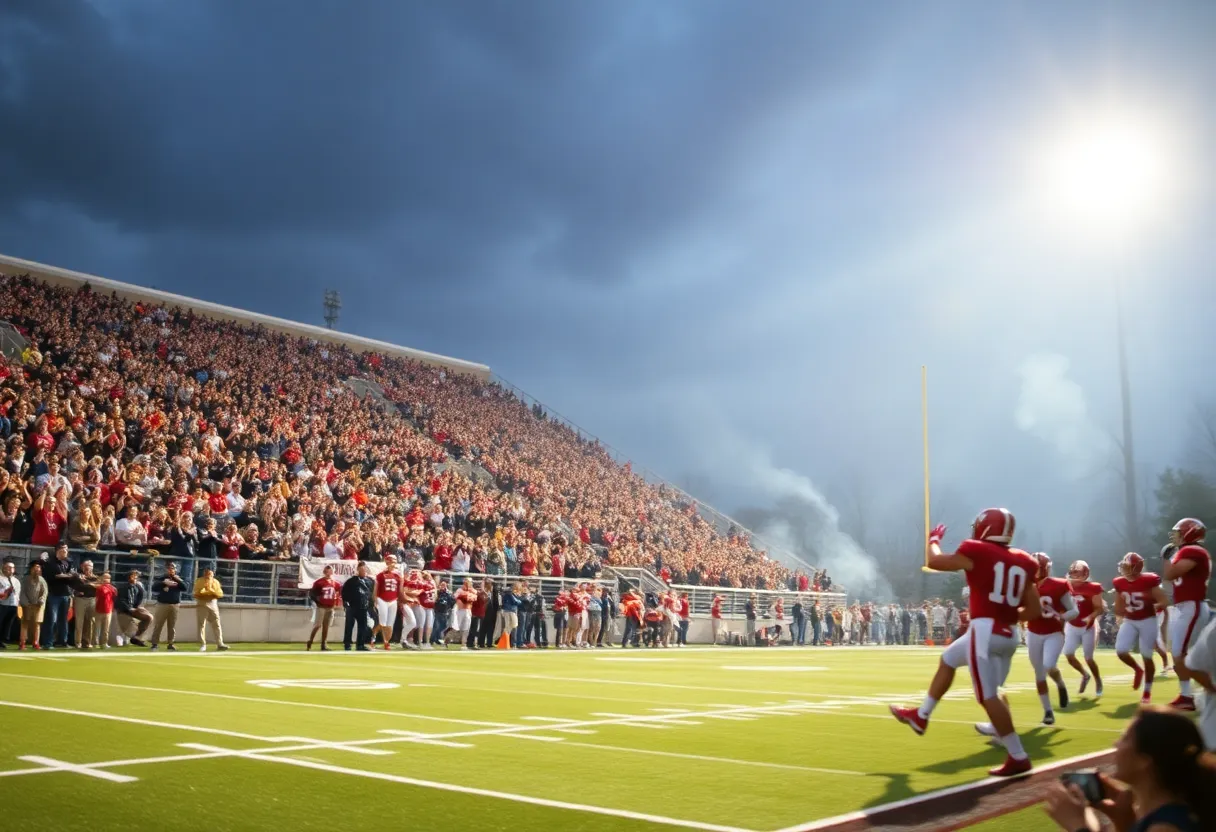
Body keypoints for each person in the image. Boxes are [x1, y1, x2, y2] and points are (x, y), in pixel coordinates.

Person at [889, 508, 1042, 777]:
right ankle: (922, 716)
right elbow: (1034, 610)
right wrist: (1005, 615)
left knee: (987, 695)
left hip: (985, 630)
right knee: (949, 659)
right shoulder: (1024, 561)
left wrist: (933, 539)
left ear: (986, 527)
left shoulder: (978, 550)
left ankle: (1018, 755)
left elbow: (935, 561)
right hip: (1008, 633)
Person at [1043, 706, 1213, 832]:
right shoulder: (1170, 812)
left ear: (1144, 760)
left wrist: (1077, 825)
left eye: (1124, 738)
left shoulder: (1164, 827)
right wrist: (1123, 820)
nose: (1116, 744)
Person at [1162, 518, 1211, 712]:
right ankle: (1186, 695)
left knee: (1179, 654)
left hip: (1192, 606)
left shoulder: (1193, 551)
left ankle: (1192, 695)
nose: (1174, 536)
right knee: (1184, 654)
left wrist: (1166, 558)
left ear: (1188, 533)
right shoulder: (1188, 551)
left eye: (1178, 532)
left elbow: (1170, 574)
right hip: (1185, 607)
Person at [1024, 553, 1079, 725]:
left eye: (1037, 567)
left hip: (1054, 632)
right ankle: (1048, 711)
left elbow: (1074, 611)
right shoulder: (1025, 585)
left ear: (1045, 568)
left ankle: (1060, 683)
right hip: (1033, 632)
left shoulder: (1058, 585)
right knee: (1039, 672)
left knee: (1049, 665)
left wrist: (1062, 617)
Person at [1113, 552, 1168, 705]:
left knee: (1146, 655)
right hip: (1130, 619)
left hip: (1148, 620)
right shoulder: (1119, 582)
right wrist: (1118, 615)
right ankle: (1138, 669)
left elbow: (1164, 601)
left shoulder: (1148, 580)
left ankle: (1147, 691)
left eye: (1126, 565)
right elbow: (1119, 603)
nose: (1123, 567)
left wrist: (1153, 605)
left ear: (1135, 567)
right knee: (1121, 650)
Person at [1064, 559, 1106, 697]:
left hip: (1088, 626)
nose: (1074, 576)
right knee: (1068, 654)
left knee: (1088, 658)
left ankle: (1098, 680)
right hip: (1072, 625)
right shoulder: (1065, 586)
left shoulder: (1093, 587)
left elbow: (1099, 608)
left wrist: (1090, 617)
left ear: (1085, 574)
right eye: (1073, 572)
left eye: (1077, 573)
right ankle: (1085, 675)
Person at [150, 562, 187, 650]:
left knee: (172, 625)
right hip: (162, 604)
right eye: (169, 568)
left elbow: (185, 588)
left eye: (172, 568)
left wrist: (177, 579)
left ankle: (171, 643)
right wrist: (164, 583)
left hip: (174, 605)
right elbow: (154, 588)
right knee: (158, 624)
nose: (171, 570)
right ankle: (155, 643)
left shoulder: (178, 578)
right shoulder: (161, 578)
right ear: (166, 569)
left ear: (175, 570)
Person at [192, 567, 228, 652]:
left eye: (210, 574)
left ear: (213, 574)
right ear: (204, 573)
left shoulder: (216, 582)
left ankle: (220, 643)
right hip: (202, 602)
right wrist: (202, 592)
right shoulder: (199, 581)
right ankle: (202, 644)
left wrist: (212, 592)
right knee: (201, 624)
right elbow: (195, 593)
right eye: (207, 573)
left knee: (217, 623)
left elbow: (220, 593)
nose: (208, 575)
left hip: (213, 602)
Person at [307, 564, 342, 651]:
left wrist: (336, 603)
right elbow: (312, 594)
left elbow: (338, 593)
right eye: (327, 571)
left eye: (330, 571)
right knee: (318, 625)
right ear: (324, 572)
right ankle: (310, 641)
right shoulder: (319, 582)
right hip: (321, 607)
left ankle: (324, 644)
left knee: (326, 626)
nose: (328, 573)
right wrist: (318, 601)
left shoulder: (335, 583)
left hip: (330, 607)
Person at [341, 562, 374, 651]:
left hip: (363, 607)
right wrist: (346, 603)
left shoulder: (369, 581)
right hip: (352, 606)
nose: (363, 571)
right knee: (349, 626)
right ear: (358, 570)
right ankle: (347, 644)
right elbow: (344, 592)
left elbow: (370, 594)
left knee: (363, 627)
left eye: (364, 569)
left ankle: (360, 645)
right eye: (362, 569)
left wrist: (370, 605)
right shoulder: (351, 581)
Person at [115, 569, 152, 647]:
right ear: (129, 577)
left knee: (149, 617)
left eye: (136, 576)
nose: (136, 577)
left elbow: (140, 597)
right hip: (124, 611)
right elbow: (120, 601)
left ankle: (137, 637)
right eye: (134, 575)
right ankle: (131, 639)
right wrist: (129, 608)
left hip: (133, 609)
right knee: (128, 631)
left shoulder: (137, 587)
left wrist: (137, 607)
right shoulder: (122, 587)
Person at [372, 554, 400, 650]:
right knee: (382, 623)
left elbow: (399, 590)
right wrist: (375, 600)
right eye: (392, 562)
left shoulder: (398, 575)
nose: (393, 564)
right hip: (382, 599)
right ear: (387, 562)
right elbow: (375, 589)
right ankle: (375, 636)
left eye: (394, 562)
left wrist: (400, 600)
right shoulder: (381, 575)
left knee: (390, 624)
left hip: (393, 600)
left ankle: (386, 642)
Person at [19, 561, 48, 650]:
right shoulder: (25, 579)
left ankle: (36, 642)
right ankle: (22, 642)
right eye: (35, 568)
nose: (37, 570)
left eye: (38, 568)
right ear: (31, 569)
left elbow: (45, 592)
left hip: (38, 605)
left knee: (37, 624)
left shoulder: (42, 580)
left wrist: (41, 600)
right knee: (25, 623)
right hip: (27, 605)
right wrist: (25, 602)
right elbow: (22, 592)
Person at [93, 572, 117, 648]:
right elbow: (104, 591)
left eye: (108, 578)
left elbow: (115, 594)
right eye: (105, 578)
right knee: (97, 628)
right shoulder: (100, 587)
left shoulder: (111, 588)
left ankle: (104, 643)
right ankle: (95, 643)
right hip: (99, 610)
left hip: (108, 610)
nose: (106, 579)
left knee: (106, 629)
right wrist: (100, 583)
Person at [0, 559, 18, 648]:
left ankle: (2, 640)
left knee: (8, 623)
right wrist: (5, 592)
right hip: (2, 604)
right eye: (8, 567)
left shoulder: (16, 581)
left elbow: (18, 593)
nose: (10, 569)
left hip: (13, 604)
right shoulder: (0, 579)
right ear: (3, 568)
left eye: (12, 568)